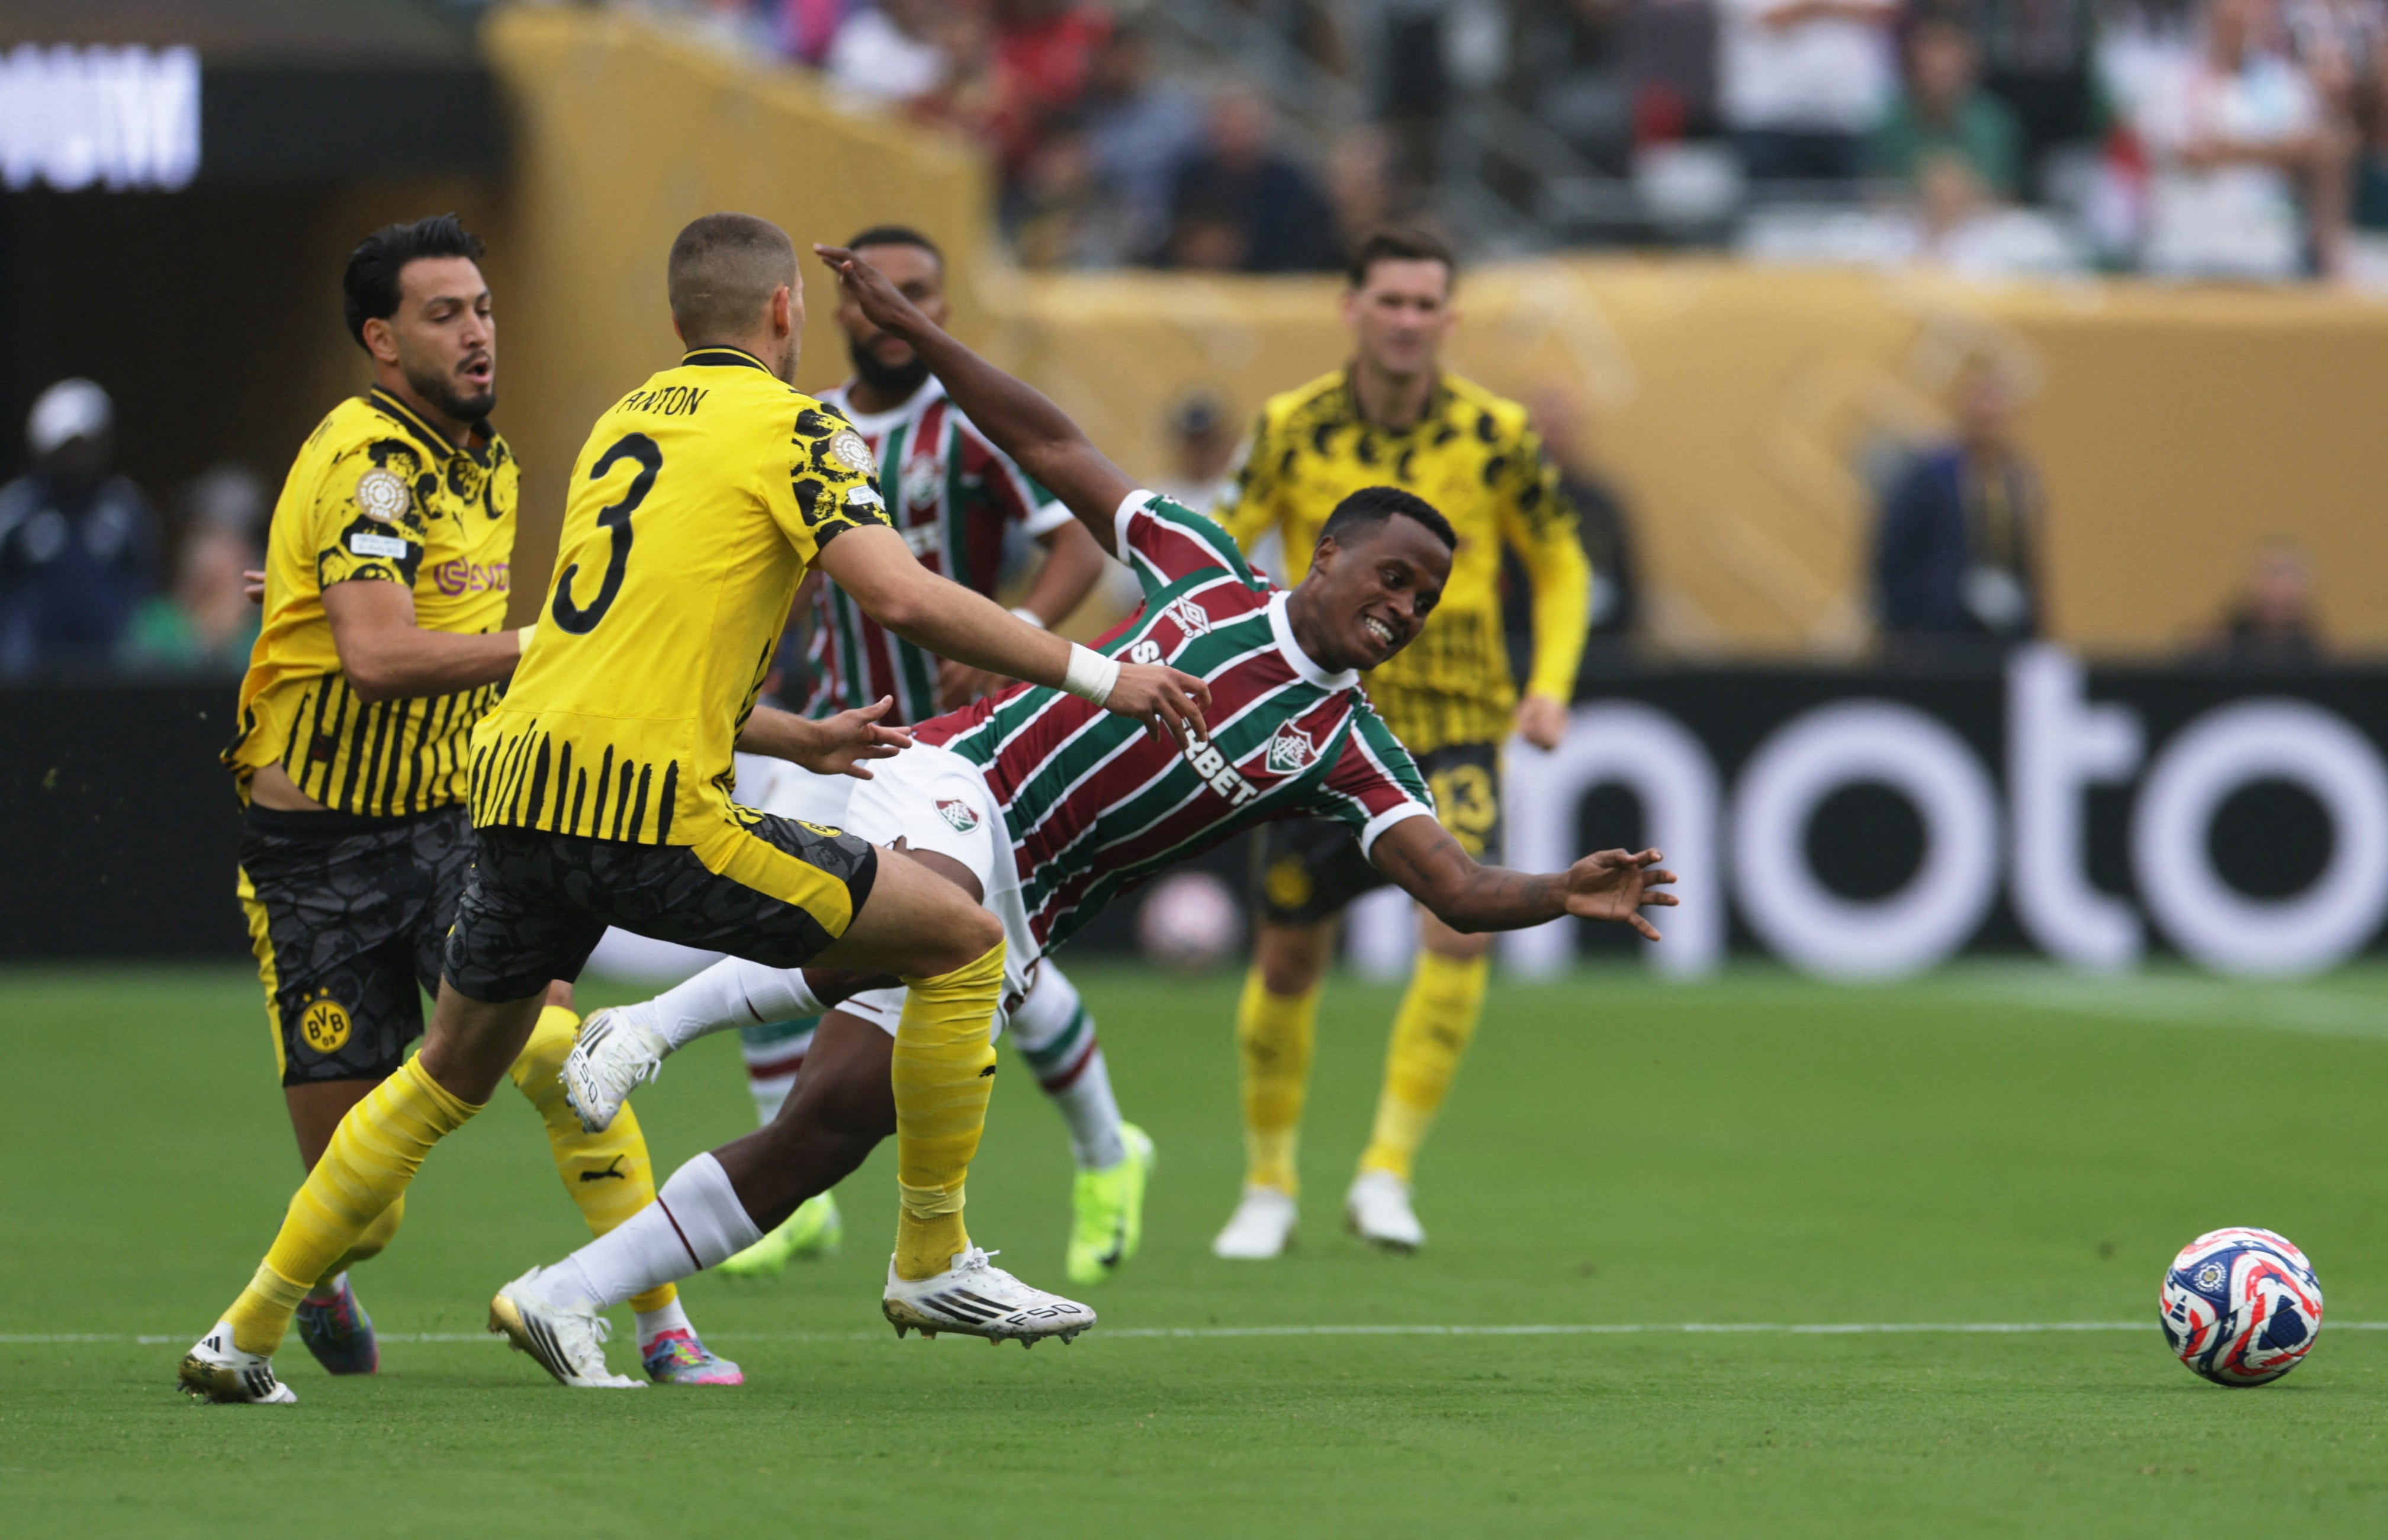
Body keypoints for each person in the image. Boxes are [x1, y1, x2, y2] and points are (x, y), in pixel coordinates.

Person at [506, 242, 1676, 1386]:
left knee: (829, 1128)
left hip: (1029, 908)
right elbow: (1052, 442)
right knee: (931, 914)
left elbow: (1457, 887)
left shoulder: (1354, 749)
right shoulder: (1205, 569)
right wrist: (923, 335)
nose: (1407, 604)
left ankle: (564, 1293)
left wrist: (1560, 890)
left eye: (1426, 595)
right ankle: (673, 1045)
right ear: (1327, 555)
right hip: (959, 784)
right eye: (1393, 575)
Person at [177, 211, 1211, 1404]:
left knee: (448, 1072)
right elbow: (905, 598)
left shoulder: (624, 419)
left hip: (509, 794)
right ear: (786, 314)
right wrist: (1102, 672)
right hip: (645, 812)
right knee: (962, 937)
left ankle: (242, 1332)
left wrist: (794, 735)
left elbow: (604, 651)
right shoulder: (798, 427)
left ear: (678, 327)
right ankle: (933, 1255)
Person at [195, 214, 738, 1393]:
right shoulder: (373, 461)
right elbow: (383, 659)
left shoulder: (482, 454)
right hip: (316, 853)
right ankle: (327, 1273)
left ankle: (659, 1319)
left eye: (484, 307)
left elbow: (392, 605)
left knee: (557, 1049)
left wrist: (307, 583)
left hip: (458, 823)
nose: (480, 331)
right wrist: (551, 645)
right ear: (382, 340)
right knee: (362, 1200)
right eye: (446, 314)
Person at [683, 223, 1147, 1291]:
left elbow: (1078, 537)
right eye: (876, 290)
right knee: (772, 921)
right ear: (829, 309)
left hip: (957, 747)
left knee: (993, 966)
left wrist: (1014, 640)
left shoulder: (966, 428)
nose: (898, 306)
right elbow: (789, 568)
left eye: (922, 289)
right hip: (825, 727)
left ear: (940, 308)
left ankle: (1106, 1151)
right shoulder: (807, 427)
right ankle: (789, 1199)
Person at [1211, 225, 1594, 1260]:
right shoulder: (1289, 428)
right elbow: (1215, 546)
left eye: (1427, 305)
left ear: (1449, 319)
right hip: (1318, 726)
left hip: (1455, 728)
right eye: (1390, 300)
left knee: (1460, 926)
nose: (1408, 321)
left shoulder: (1498, 434)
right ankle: (1267, 1183)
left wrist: (1549, 687)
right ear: (1352, 308)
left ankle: (1385, 1171)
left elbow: (1560, 566)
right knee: (1289, 956)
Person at [1872, 362, 2042, 652]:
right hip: (1936, 635)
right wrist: (1905, 626)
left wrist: (2031, 629)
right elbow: (1893, 552)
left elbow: (2025, 562)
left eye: (1996, 404)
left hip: (1998, 636)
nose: (1988, 414)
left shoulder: (2015, 479)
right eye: (1980, 402)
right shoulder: (1930, 475)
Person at [0, 378, 159, 677]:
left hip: (109, 671)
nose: (78, 457)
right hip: (29, 675)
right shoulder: (17, 508)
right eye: (69, 447)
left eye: (87, 445)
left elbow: (143, 584)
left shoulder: (125, 507)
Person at [1718, 0, 1901, 189]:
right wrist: (1838, 8)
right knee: (1771, 210)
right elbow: (1770, 19)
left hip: (1850, 113)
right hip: (1769, 113)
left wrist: (1808, 9)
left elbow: (1884, 12)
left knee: (1852, 211)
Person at [1161, 88, 1344, 272]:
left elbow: (1302, 248)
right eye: (1227, 125)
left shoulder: (1289, 183)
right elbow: (1174, 238)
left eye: (1243, 124)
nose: (1234, 133)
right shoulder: (1191, 177)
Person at [121, 464, 266, 674]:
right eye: (202, 536)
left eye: (233, 541)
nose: (201, 552)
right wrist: (204, 634)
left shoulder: (264, 633)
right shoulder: (157, 621)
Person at [1871, 11, 2027, 202]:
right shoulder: (1891, 121)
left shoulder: (1995, 122)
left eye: (1948, 50)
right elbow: (1879, 191)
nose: (1939, 63)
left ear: (1970, 60)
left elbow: (2004, 193)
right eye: (1930, 50)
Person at [2206, 539, 2326, 663]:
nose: (2278, 587)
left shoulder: (2321, 662)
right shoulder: (2216, 657)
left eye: (2287, 576)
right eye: (2273, 574)